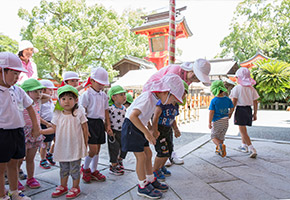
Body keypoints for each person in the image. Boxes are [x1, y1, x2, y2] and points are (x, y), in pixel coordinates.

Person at [121, 74, 184, 199]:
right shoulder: (148, 98)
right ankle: (142, 186)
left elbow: (144, 115)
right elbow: (133, 116)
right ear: (166, 92)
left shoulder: (154, 99)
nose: (173, 102)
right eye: (173, 99)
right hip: (131, 127)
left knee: (148, 154)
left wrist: (150, 128)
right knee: (141, 157)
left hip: (139, 126)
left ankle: (150, 179)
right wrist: (146, 132)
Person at [144, 58, 211, 166]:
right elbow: (164, 91)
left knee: (168, 131)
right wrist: (152, 127)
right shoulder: (175, 71)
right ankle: (162, 157)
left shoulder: (187, 79)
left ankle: (169, 155)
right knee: (160, 133)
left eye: (197, 79)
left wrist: (175, 127)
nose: (195, 80)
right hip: (155, 97)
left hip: (167, 106)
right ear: (191, 71)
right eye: (195, 77)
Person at [0, 52, 39, 200]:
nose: (17, 77)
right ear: (1, 70)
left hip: (17, 131)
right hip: (2, 133)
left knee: (15, 162)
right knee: (1, 166)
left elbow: (30, 106)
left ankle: (14, 192)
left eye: (18, 74)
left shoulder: (17, 89)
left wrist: (36, 126)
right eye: (14, 73)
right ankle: (2, 195)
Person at [40, 85, 89, 198]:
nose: (67, 101)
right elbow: (53, 128)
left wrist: (85, 144)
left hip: (75, 146)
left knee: (75, 169)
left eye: (70, 98)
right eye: (63, 99)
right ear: (59, 100)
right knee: (64, 168)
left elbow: (85, 128)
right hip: (62, 146)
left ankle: (75, 187)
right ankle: (63, 186)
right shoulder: (57, 113)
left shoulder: (79, 112)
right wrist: (41, 131)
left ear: (76, 100)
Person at [80, 67, 113, 183]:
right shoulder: (86, 94)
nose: (101, 86)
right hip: (89, 122)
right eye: (99, 83)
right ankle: (85, 168)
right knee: (92, 149)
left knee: (98, 149)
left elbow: (106, 111)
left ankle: (94, 170)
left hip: (99, 123)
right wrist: (85, 128)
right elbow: (82, 110)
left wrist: (107, 125)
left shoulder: (104, 95)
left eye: (103, 84)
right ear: (92, 81)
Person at [151, 81, 188, 181]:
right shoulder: (162, 103)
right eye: (182, 92)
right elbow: (155, 117)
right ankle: (155, 170)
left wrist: (176, 129)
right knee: (162, 151)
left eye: (185, 93)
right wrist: (154, 131)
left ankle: (161, 167)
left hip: (168, 130)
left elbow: (172, 118)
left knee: (168, 151)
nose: (184, 95)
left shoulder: (175, 105)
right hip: (159, 130)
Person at [20, 78, 51, 190]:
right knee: (19, 158)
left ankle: (31, 178)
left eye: (40, 91)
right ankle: (17, 178)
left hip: (35, 132)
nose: (39, 94)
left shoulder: (37, 102)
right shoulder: (21, 103)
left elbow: (47, 98)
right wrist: (24, 94)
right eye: (35, 91)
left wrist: (39, 95)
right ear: (26, 92)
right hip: (24, 132)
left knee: (30, 158)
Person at [229, 67, 259, 158]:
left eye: (237, 77)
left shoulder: (237, 88)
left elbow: (234, 101)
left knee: (242, 131)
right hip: (248, 110)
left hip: (240, 110)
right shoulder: (251, 89)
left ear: (240, 78)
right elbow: (255, 101)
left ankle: (252, 148)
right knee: (243, 129)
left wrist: (230, 112)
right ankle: (244, 146)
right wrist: (255, 113)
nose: (236, 79)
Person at [208, 80, 234, 157]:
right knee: (221, 135)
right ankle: (220, 150)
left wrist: (209, 122)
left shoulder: (214, 100)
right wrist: (230, 114)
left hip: (217, 120)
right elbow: (232, 108)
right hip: (225, 120)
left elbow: (211, 112)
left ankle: (220, 146)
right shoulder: (227, 99)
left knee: (213, 137)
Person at [107, 85, 127, 175]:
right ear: (114, 97)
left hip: (123, 131)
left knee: (124, 148)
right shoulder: (111, 109)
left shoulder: (124, 108)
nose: (124, 97)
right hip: (113, 132)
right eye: (121, 95)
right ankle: (114, 165)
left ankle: (120, 160)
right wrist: (108, 128)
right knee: (114, 148)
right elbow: (106, 119)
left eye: (124, 94)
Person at [39, 80, 57, 169]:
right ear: (43, 90)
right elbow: (37, 115)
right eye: (49, 90)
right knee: (44, 143)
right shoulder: (40, 102)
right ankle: (42, 159)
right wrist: (45, 123)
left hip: (52, 123)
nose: (52, 92)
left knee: (56, 140)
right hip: (44, 124)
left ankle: (49, 154)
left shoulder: (50, 101)